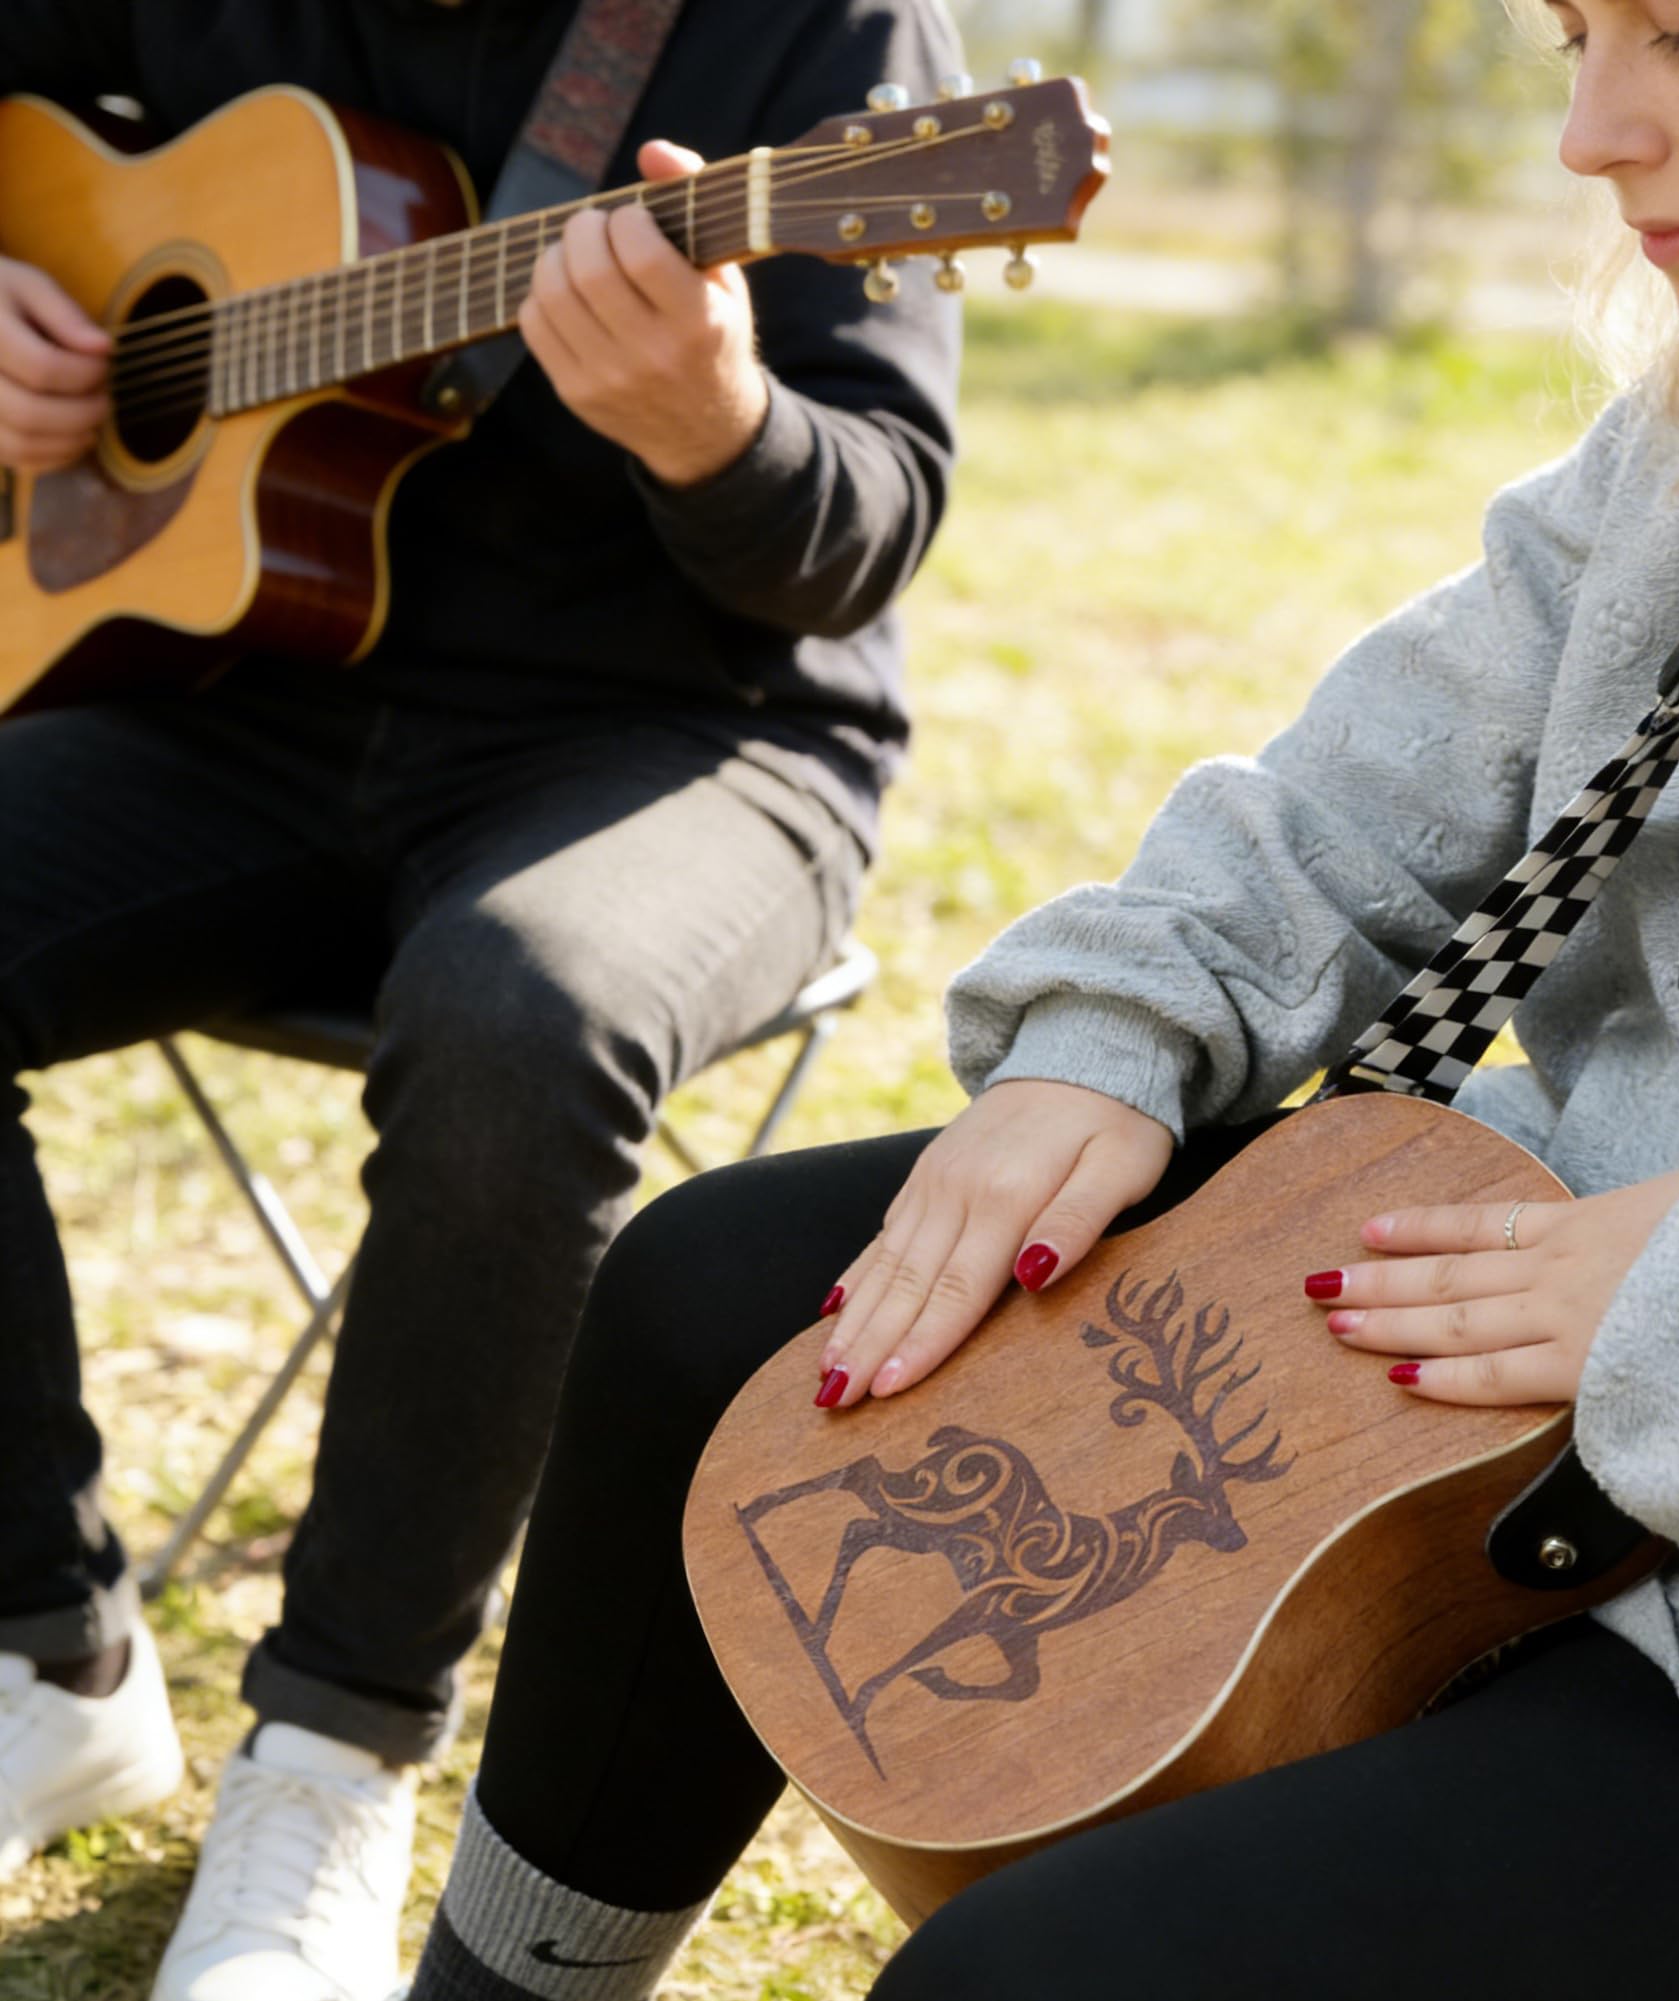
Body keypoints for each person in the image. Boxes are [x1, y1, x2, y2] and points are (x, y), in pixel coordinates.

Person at [402, 0, 1679, 1997]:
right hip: (1502, 1345)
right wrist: (1117, 1038)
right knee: (710, 1308)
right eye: (1575, 36)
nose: (1590, 134)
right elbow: (1370, 777)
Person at [0, 1, 961, 1996]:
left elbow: (864, 521)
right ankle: (44, 1642)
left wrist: (717, 423)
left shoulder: (823, 34)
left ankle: (333, 1749)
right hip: (235, 680)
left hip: (689, 730)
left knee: (520, 1023)